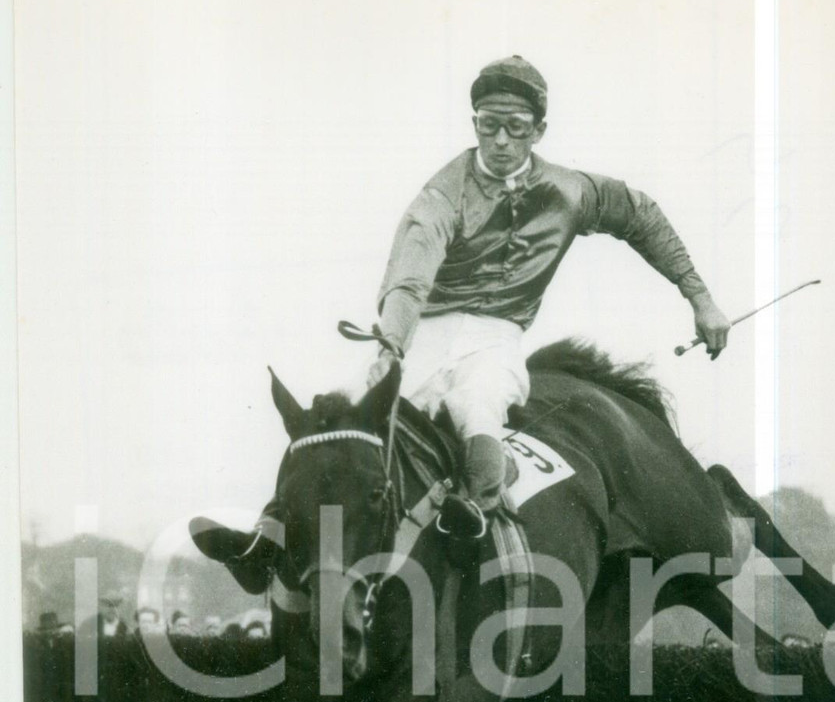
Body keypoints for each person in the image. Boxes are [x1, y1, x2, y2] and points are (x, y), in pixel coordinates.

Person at [193, 55, 730, 592]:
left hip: (496, 339)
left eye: (515, 129)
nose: (499, 141)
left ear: (538, 131)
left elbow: (640, 215)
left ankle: (471, 514)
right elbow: (410, 275)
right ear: (474, 123)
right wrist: (392, 346)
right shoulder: (442, 195)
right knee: (349, 415)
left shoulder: (572, 191)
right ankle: (267, 537)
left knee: (482, 405)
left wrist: (700, 297)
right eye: (487, 125)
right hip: (426, 331)